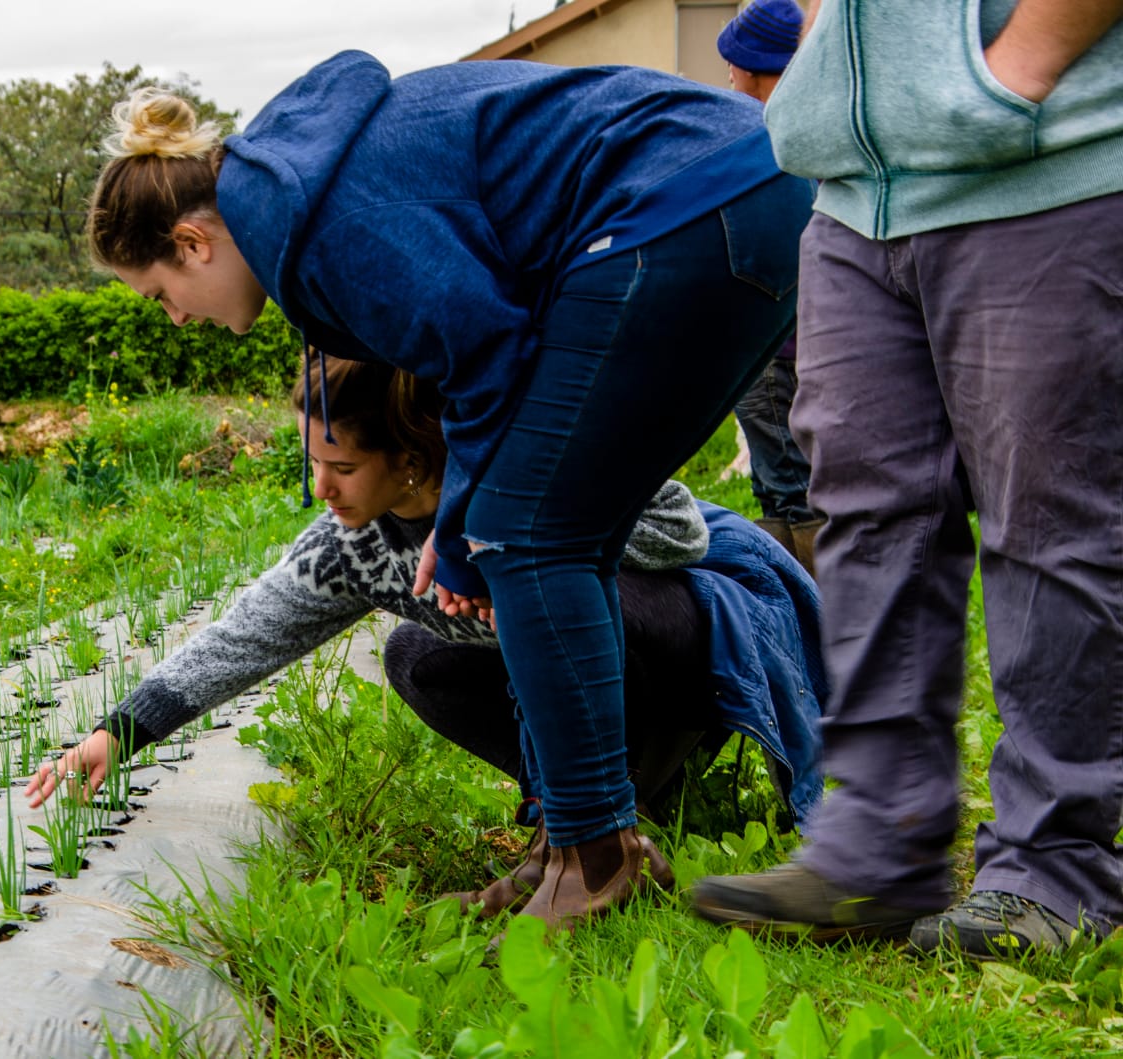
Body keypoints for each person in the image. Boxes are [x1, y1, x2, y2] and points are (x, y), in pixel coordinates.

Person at [81, 52, 811, 931]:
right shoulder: (308, 198)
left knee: (525, 538)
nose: (177, 317)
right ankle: (572, 844)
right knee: (554, 535)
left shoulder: (322, 226)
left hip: (685, 200)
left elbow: (482, 352)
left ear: (194, 242)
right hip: (747, 188)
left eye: (162, 293)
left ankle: (596, 855)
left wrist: (462, 539)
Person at [26, 358, 827, 922]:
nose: (320, 488)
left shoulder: (523, 462)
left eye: (339, 464)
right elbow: (244, 635)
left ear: (411, 460)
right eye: (312, 461)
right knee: (415, 657)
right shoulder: (351, 541)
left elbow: (680, 528)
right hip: (595, 671)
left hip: (684, 625)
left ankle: (599, 824)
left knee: (556, 605)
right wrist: (116, 731)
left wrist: (521, 550)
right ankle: (622, 801)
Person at [692, 1, 1123, 957]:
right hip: (850, 196)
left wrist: (1016, 67)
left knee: (1049, 524)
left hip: (1043, 169)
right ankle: (880, 841)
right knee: (865, 518)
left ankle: (1053, 870)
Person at [716, 0, 820, 576]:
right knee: (784, 486)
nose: (727, 75)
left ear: (752, 66)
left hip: (773, 349)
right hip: (801, 344)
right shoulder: (812, 128)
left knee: (791, 492)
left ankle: (811, 624)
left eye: (732, 62)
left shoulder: (765, 137)